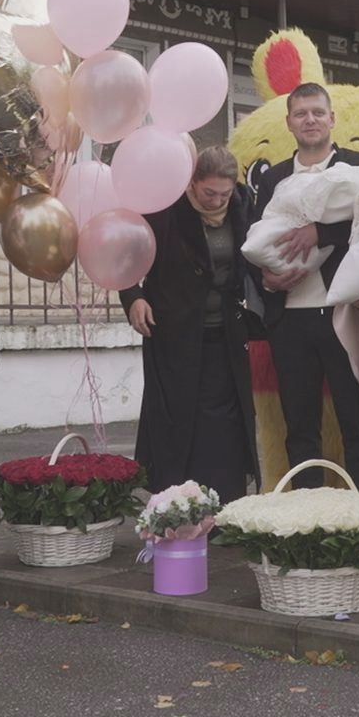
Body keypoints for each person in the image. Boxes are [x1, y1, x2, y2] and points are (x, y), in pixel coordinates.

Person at [249, 83, 359, 490]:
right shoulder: (273, 177)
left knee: (357, 422)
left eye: (317, 112)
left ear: (332, 119)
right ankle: (306, 519)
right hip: (289, 320)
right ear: (289, 122)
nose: (310, 120)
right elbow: (253, 236)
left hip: (344, 312)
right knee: (300, 427)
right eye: (301, 113)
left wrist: (320, 232)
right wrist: (266, 281)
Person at [124, 147, 257, 503]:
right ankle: (174, 505)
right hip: (173, 332)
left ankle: (225, 504)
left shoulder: (243, 205)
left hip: (225, 332)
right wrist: (134, 296)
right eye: (208, 193)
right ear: (192, 184)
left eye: (224, 194)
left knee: (225, 424)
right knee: (178, 420)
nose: (216, 201)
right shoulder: (166, 209)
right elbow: (129, 253)